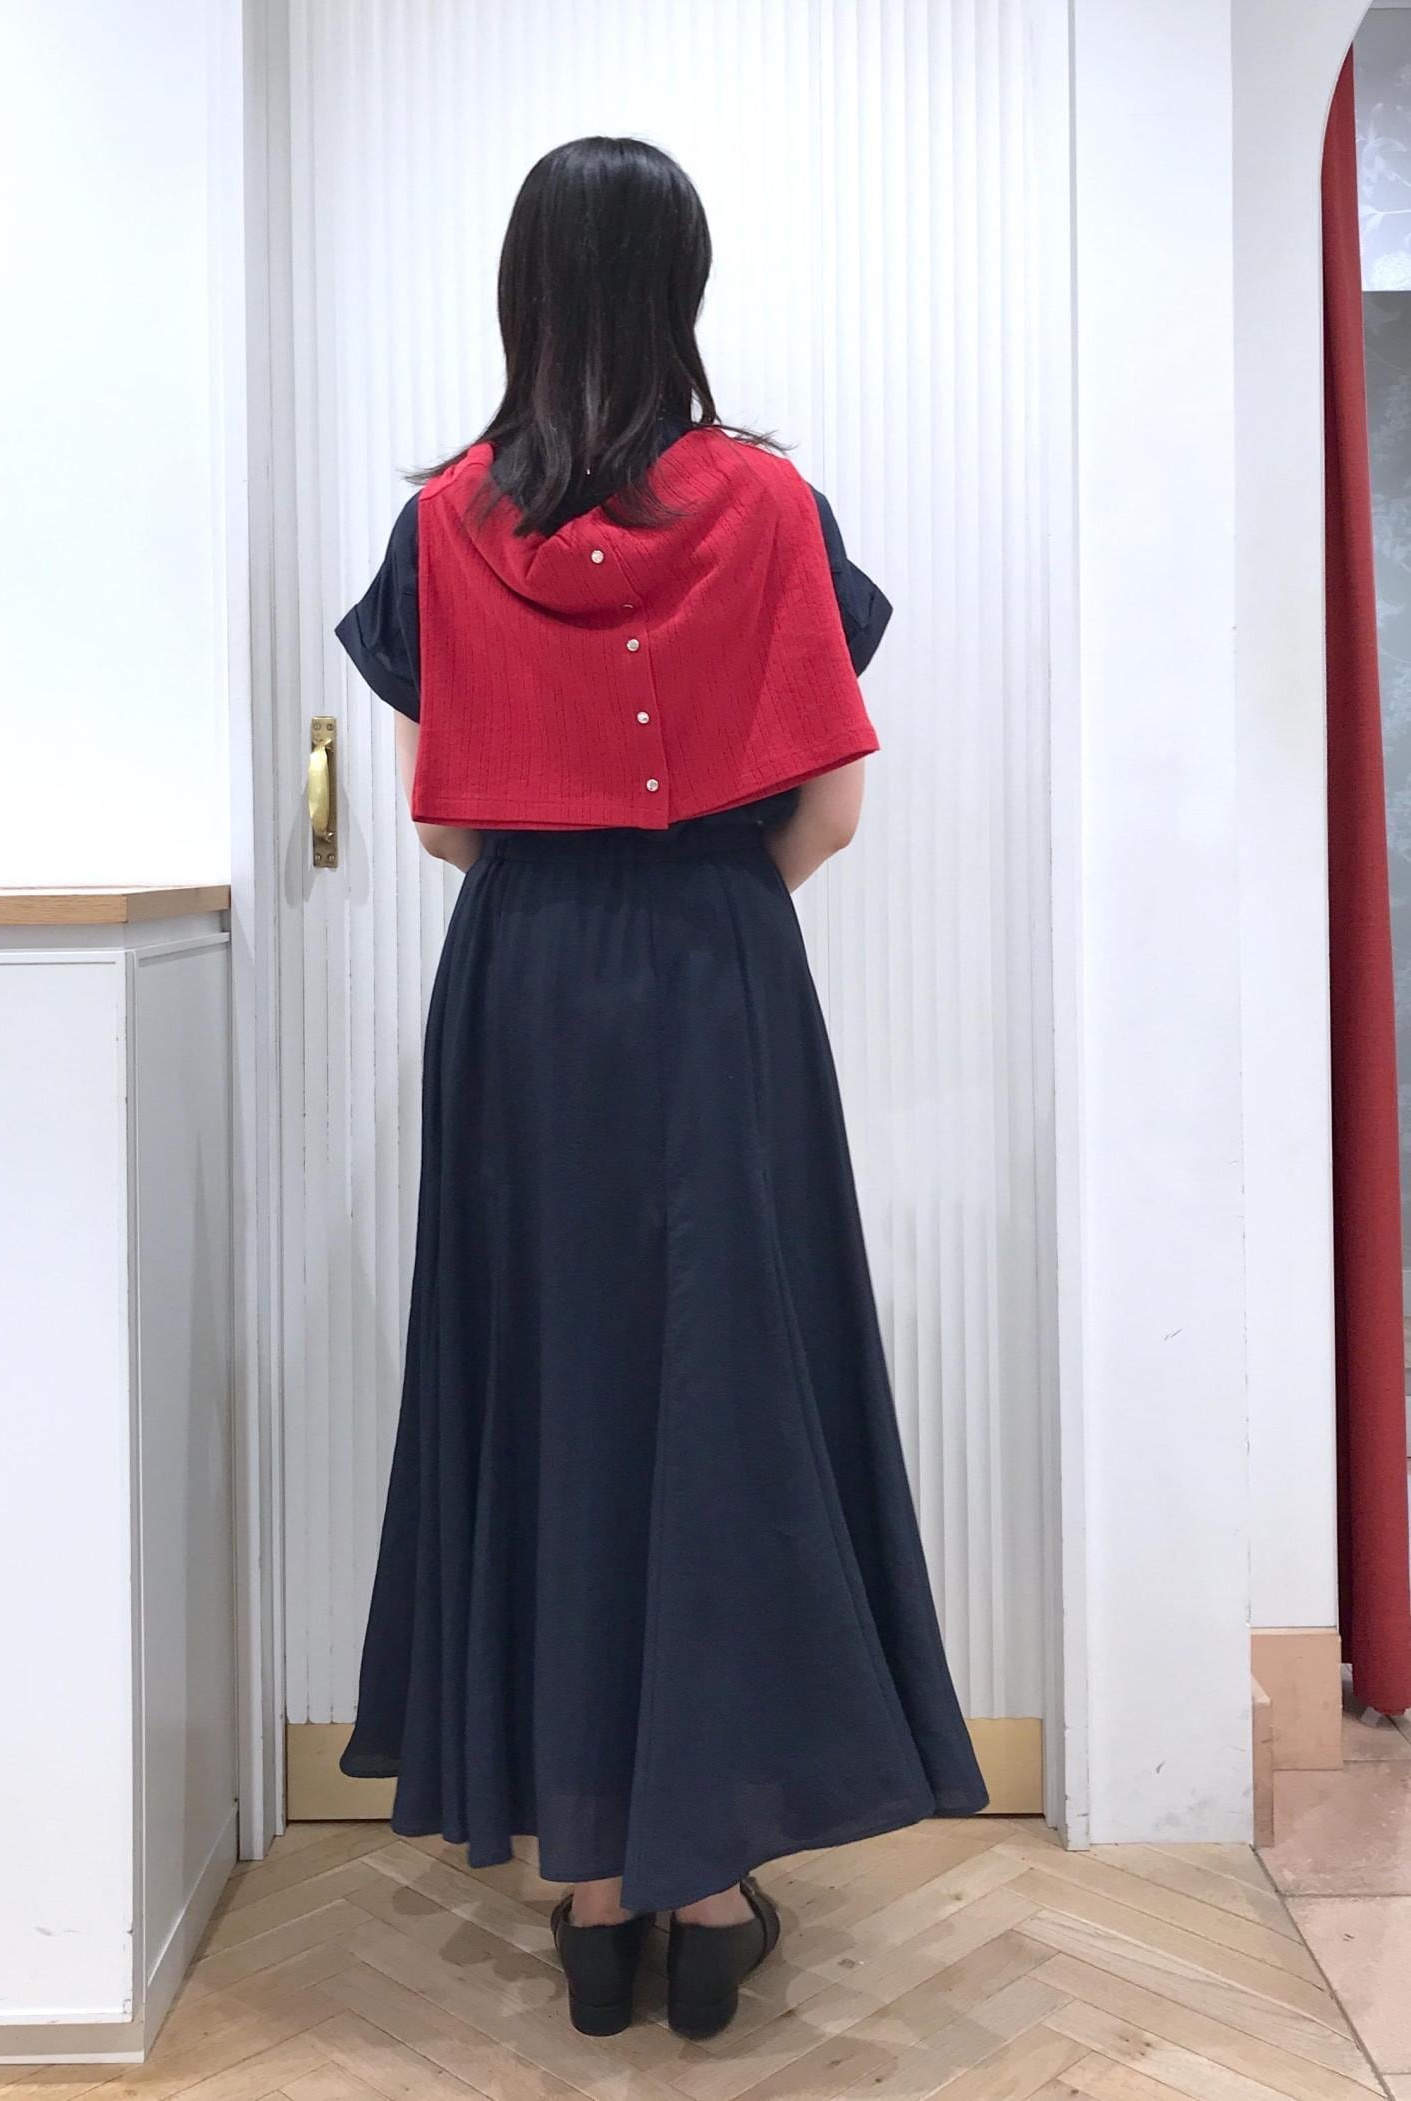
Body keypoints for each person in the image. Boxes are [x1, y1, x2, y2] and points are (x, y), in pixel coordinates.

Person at [334, 133, 988, 2044]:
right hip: (719, 984)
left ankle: (593, 1891)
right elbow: (831, 811)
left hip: (525, 992)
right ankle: (709, 1891)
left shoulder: (445, 523)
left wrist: (569, 898)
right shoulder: (774, 507)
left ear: (524, 291)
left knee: (550, 1388)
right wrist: (702, 906)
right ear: (682, 291)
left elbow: (444, 821)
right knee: (725, 1396)